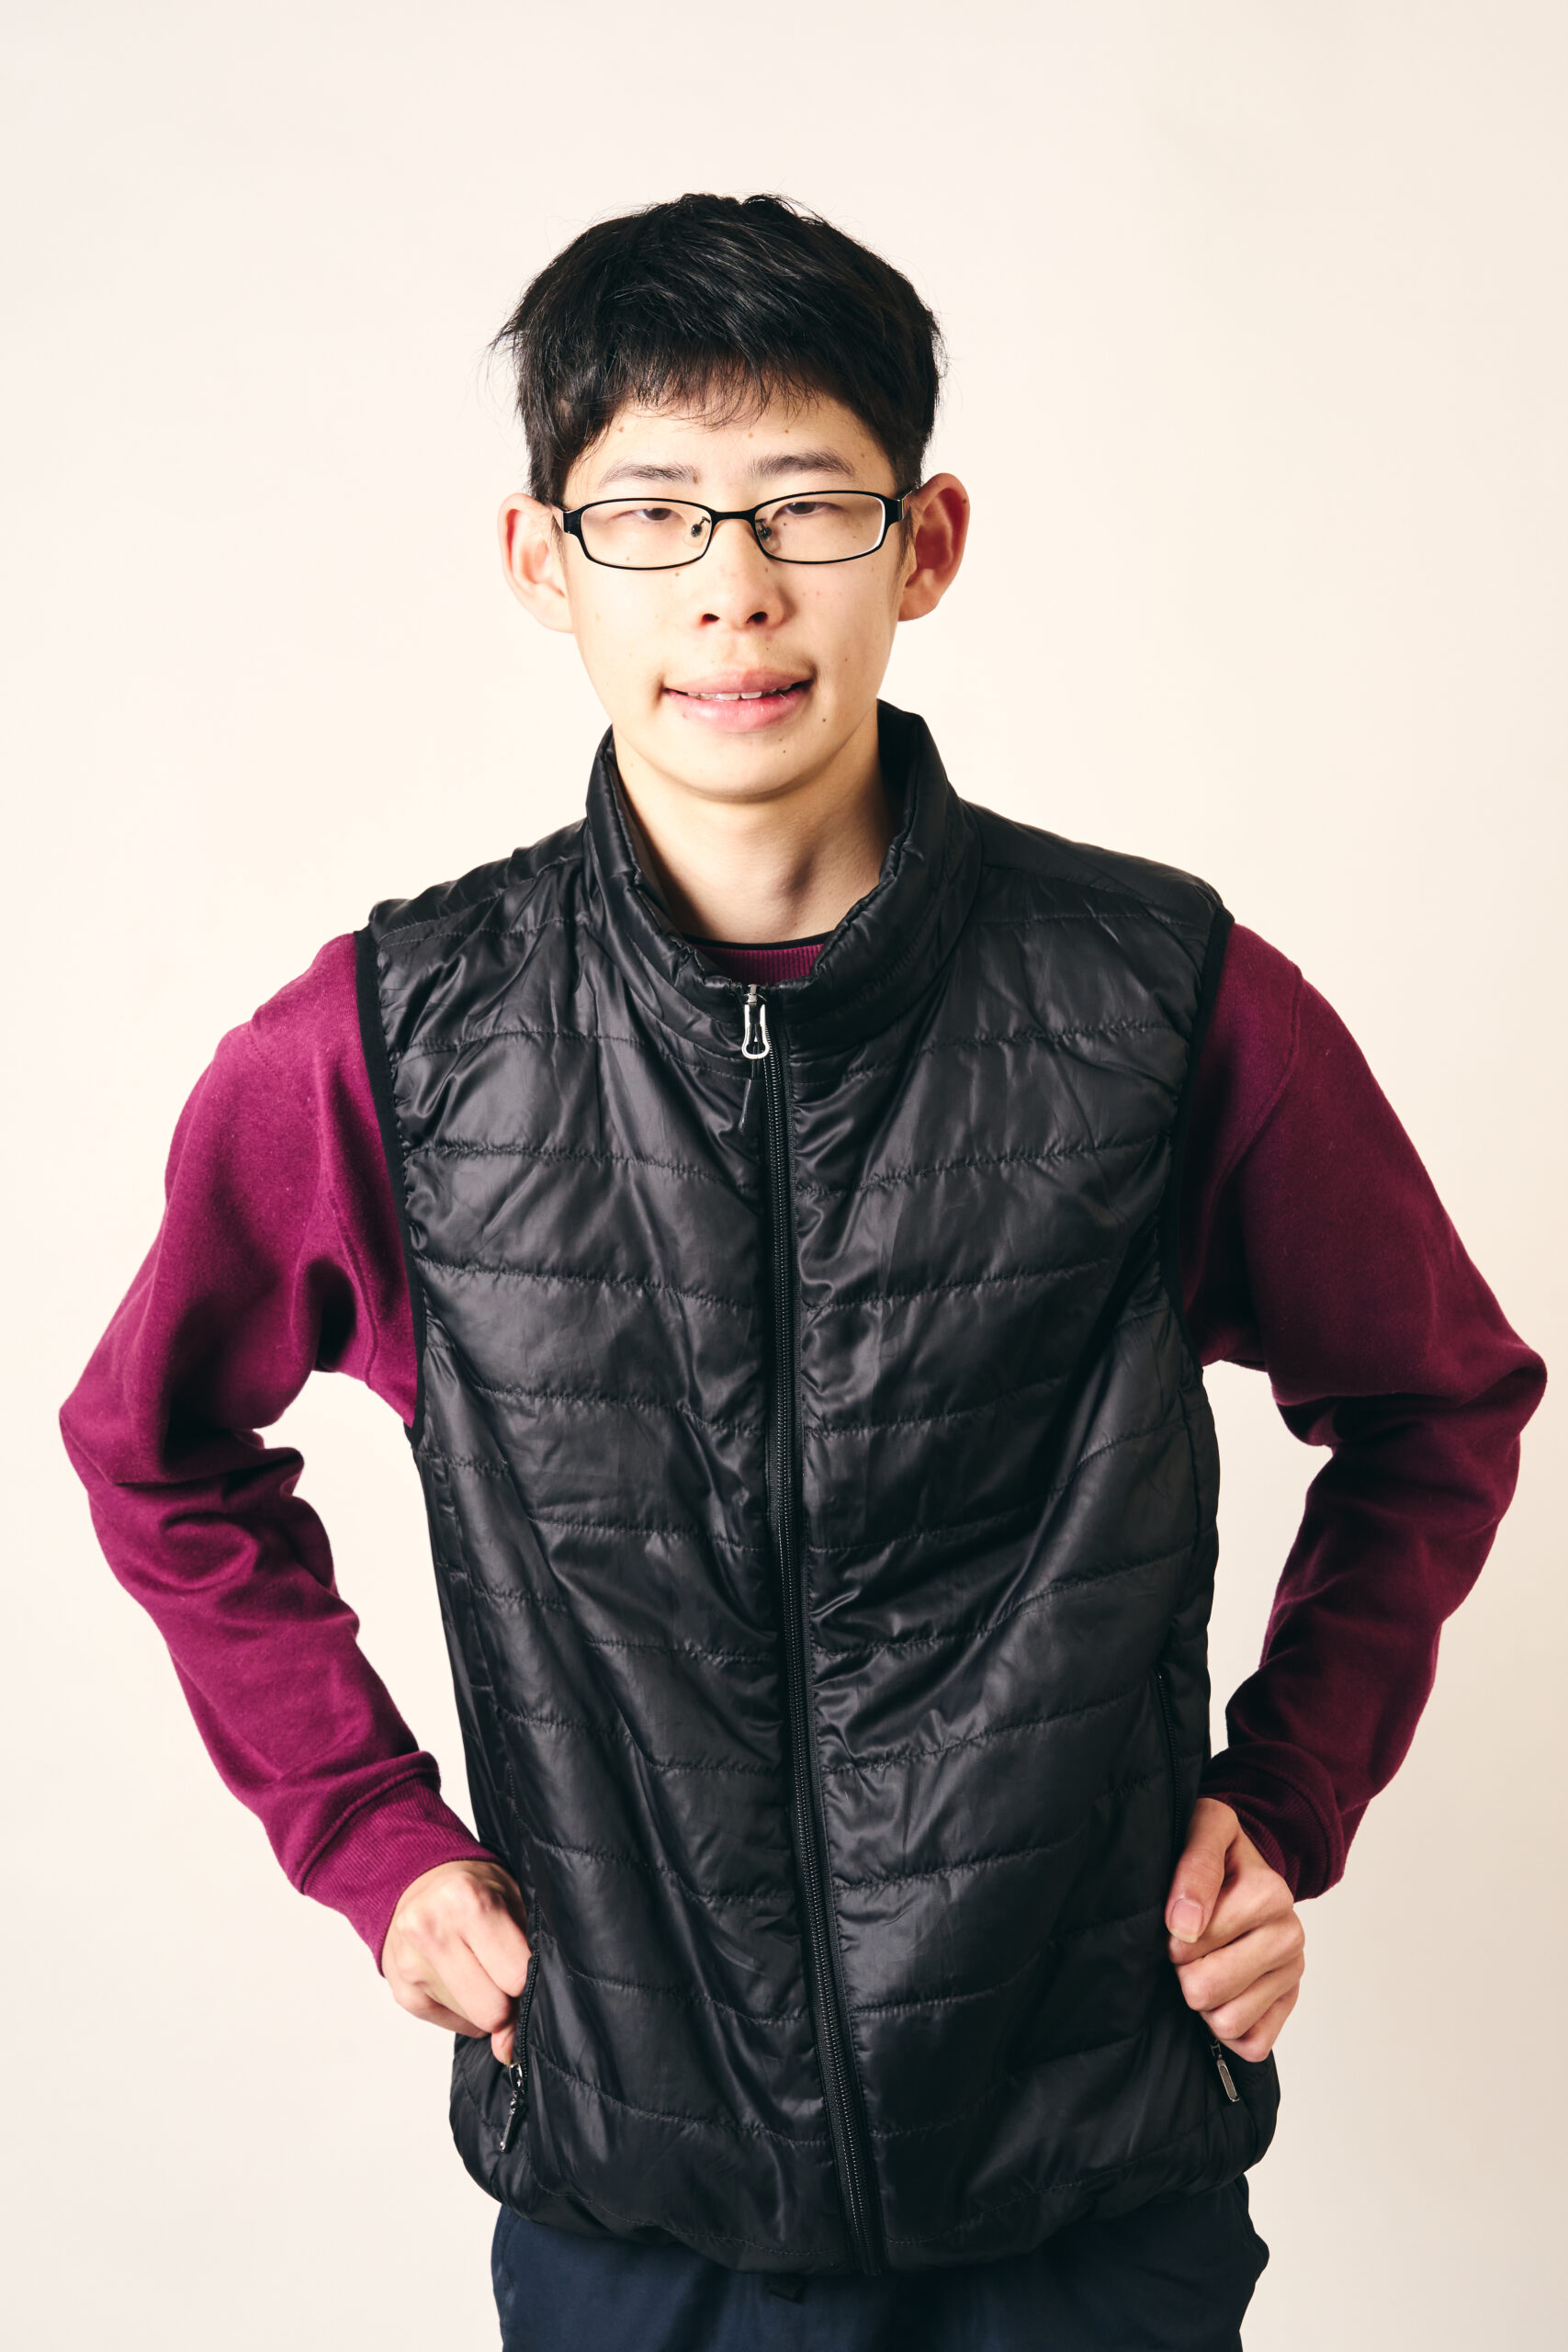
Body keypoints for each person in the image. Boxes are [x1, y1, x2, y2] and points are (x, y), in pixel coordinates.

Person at [61, 194, 1543, 2351]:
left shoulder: (1165, 1004)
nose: (732, 587)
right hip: (636, 2214)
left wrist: (1285, 1788)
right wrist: (373, 1838)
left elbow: (1436, 1400)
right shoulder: (387, 1045)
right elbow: (152, 1443)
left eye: (804, 505)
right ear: (539, 560)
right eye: (650, 512)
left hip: (1084, 2199)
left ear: (923, 543)